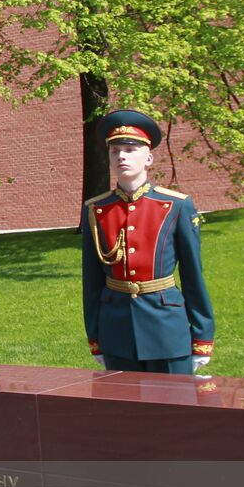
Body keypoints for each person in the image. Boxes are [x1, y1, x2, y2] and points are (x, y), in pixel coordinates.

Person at [82, 110, 215, 375]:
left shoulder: (175, 205)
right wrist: (96, 337)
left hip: (166, 328)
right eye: (115, 150)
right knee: (122, 412)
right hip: (115, 329)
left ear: (149, 158)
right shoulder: (97, 210)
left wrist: (201, 338)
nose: (121, 156)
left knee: (173, 411)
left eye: (130, 150)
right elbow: (92, 280)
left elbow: (192, 276)